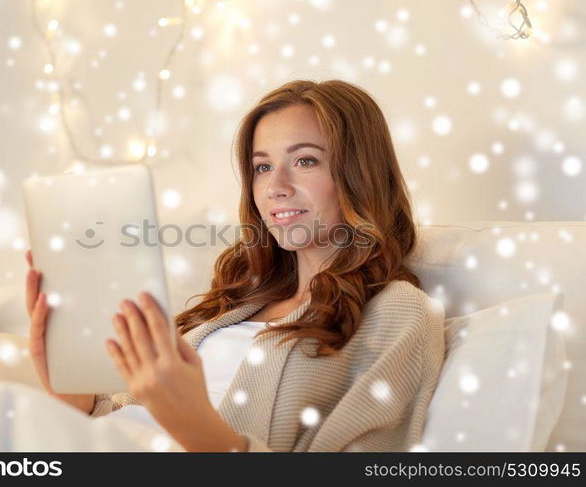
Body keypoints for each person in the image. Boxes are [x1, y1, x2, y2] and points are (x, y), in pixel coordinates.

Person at [26, 79, 446, 452]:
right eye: (262, 167)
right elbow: (128, 421)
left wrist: (195, 426)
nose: (275, 188)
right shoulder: (238, 301)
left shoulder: (399, 312)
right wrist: (71, 393)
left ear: (360, 174)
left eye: (304, 161)